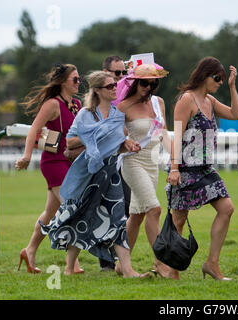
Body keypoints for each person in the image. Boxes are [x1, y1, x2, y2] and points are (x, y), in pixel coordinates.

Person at [39, 71, 149, 278]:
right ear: (97, 91)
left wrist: (127, 144)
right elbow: (70, 143)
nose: (114, 89)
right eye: (109, 86)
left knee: (118, 219)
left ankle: (127, 269)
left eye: (115, 85)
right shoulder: (85, 115)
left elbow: (116, 143)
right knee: (81, 217)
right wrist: (96, 134)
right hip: (89, 174)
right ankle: (70, 267)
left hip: (111, 173)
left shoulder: (118, 114)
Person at [167, 57, 238, 281]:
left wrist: (232, 87)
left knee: (226, 208)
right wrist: (174, 168)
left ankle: (212, 264)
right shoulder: (186, 100)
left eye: (221, 79)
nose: (219, 82)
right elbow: (177, 135)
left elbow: (236, 115)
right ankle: (173, 271)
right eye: (217, 78)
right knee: (178, 221)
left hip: (206, 169)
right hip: (185, 168)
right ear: (204, 76)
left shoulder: (210, 100)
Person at [15, 63, 83, 274]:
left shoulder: (77, 104)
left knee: (50, 212)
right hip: (54, 163)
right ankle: (72, 264)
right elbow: (34, 129)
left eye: (79, 79)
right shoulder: (53, 104)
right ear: (63, 82)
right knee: (73, 208)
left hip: (71, 162)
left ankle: (29, 250)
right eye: (75, 79)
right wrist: (27, 156)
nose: (79, 82)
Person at [117, 62, 174, 278]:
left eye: (153, 83)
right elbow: (117, 138)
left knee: (137, 215)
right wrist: (126, 141)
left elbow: (164, 132)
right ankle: (160, 262)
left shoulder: (158, 103)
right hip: (132, 163)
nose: (148, 87)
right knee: (154, 209)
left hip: (152, 164)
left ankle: (122, 264)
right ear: (134, 82)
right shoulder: (123, 106)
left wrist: (174, 161)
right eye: (144, 83)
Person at [98, 55, 131, 272]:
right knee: (103, 212)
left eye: (123, 73)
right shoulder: (96, 101)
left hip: (123, 162)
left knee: (125, 209)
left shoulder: (125, 96)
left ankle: (121, 261)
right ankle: (106, 262)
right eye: (116, 73)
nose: (120, 77)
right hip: (102, 164)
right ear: (106, 72)